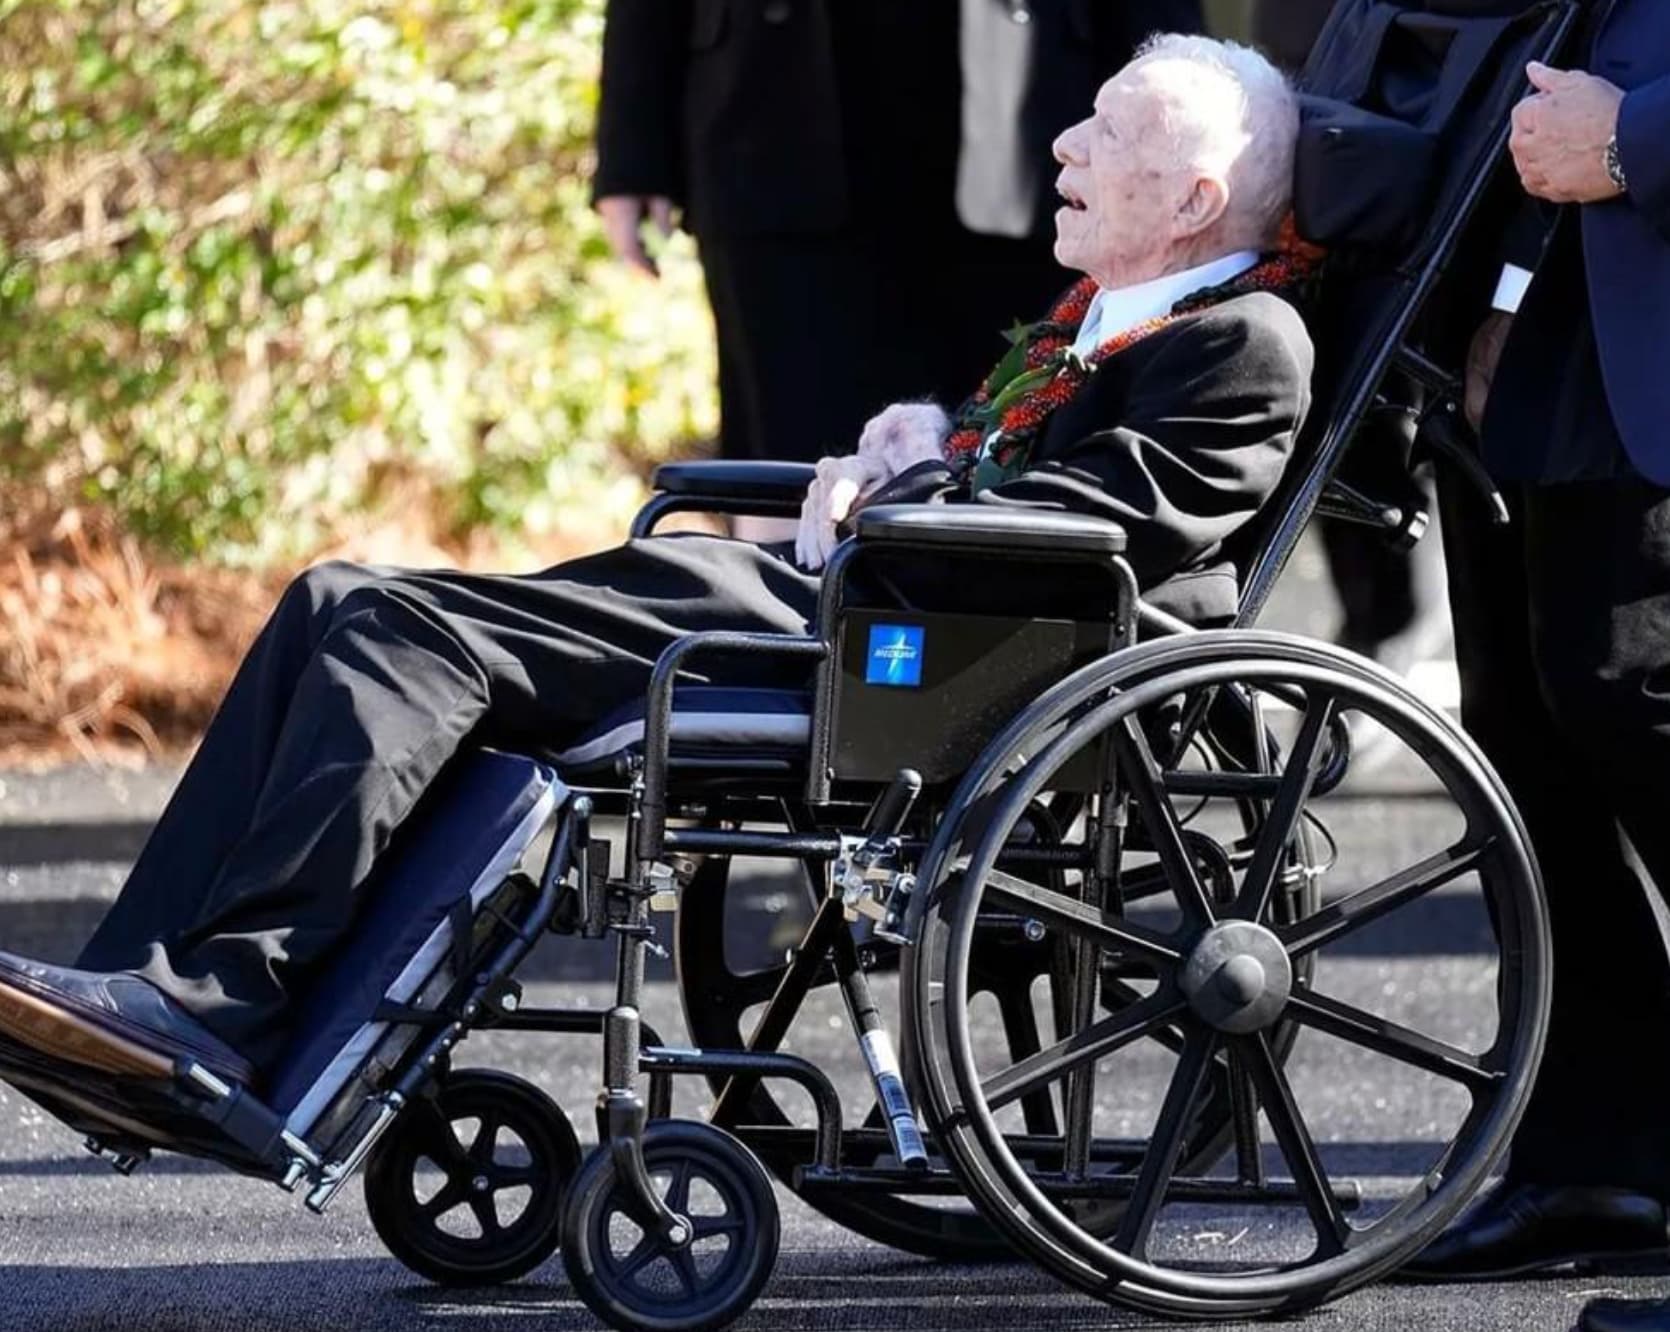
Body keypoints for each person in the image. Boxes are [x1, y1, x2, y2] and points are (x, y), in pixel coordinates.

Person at [0, 36, 1312, 1103]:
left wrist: (912, 488)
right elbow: (1023, 477)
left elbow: (1103, 532)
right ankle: (135, 997)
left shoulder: (1240, 341)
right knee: (341, 599)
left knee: (408, 638)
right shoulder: (1107, 320)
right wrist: (925, 446)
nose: (1065, 148)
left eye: (1108, 137)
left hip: (919, 646)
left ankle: (222, 1007)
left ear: (1193, 200)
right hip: (870, 604)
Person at [1401, 3, 1670, 1312]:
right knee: (1522, 741)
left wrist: (1635, 139)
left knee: (1634, 714)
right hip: (1525, 319)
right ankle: (1600, 1156)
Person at [593, 0, 1202, 473]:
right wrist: (632, 149)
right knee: (786, 456)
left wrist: (1185, 139)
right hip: (767, 124)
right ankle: (774, 629)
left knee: (1004, 460)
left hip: (1025, 133)